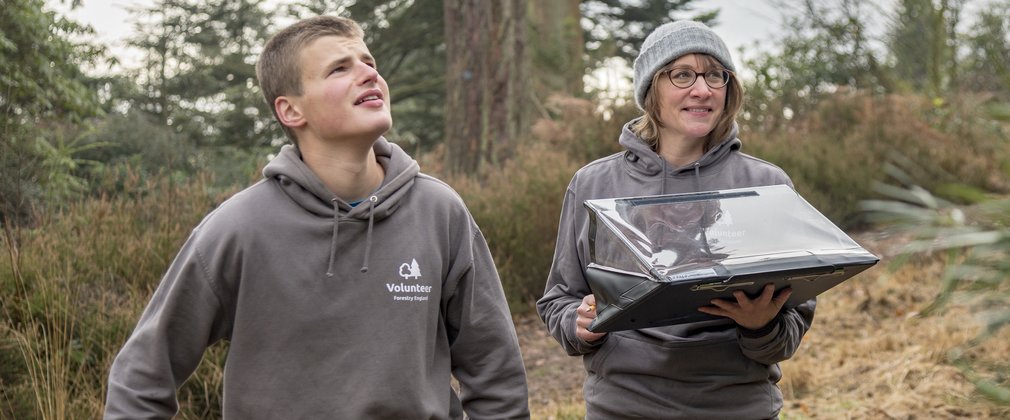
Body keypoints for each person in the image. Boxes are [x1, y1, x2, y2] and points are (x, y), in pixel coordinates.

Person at [105, 15, 529, 419]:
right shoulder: (239, 228)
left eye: (369, 62)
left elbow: (496, 372)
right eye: (339, 69)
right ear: (290, 111)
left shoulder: (440, 212)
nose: (368, 74)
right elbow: (142, 376)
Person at [536, 20, 814, 419]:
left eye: (715, 75)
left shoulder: (766, 185)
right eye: (682, 74)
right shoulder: (593, 183)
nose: (702, 89)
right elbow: (559, 298)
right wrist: (579, 326)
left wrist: (761, 325)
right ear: (652, 89)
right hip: (622, 408)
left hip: (736, 407)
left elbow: (788, 333)